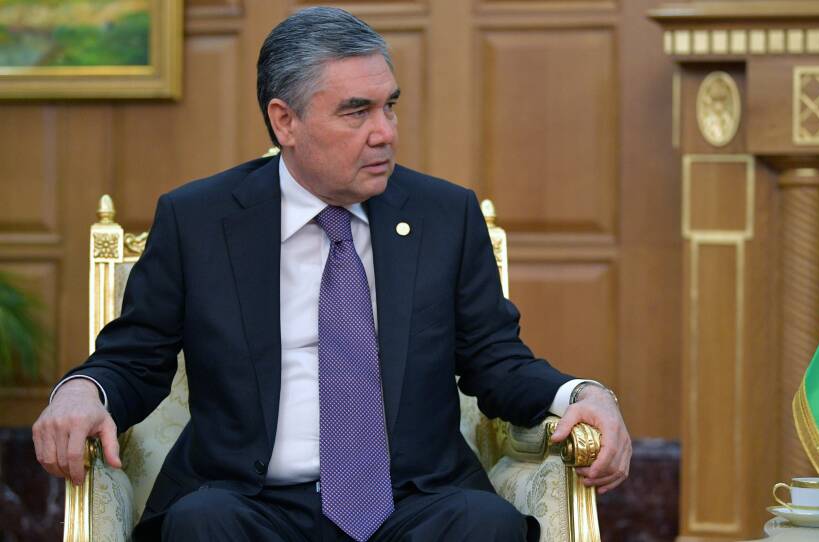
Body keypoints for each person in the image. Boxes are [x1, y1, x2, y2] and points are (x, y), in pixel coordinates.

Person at [32, 7, 631, 542]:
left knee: (485, 525)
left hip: (413, 501)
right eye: (357, 111)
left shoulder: (443, 215)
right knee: (201, 524)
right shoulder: (199, 220)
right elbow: (137, 356)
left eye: (389, 105)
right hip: (249, 501)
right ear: (284, 121)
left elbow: (497, 360)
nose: (385, 133)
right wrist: (82, 392)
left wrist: (583, 394)